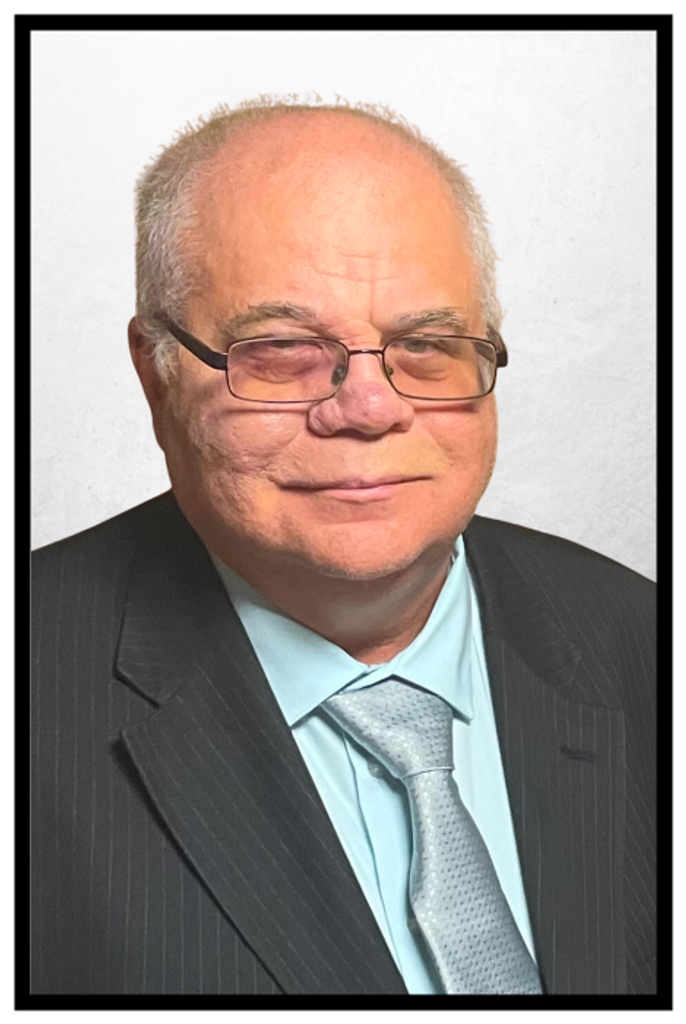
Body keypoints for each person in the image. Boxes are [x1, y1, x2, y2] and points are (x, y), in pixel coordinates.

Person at [31, 99, 656, 997]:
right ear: (155, 372)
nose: (369, 408)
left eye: (426, 344)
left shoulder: (645, 641)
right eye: (282, 349)